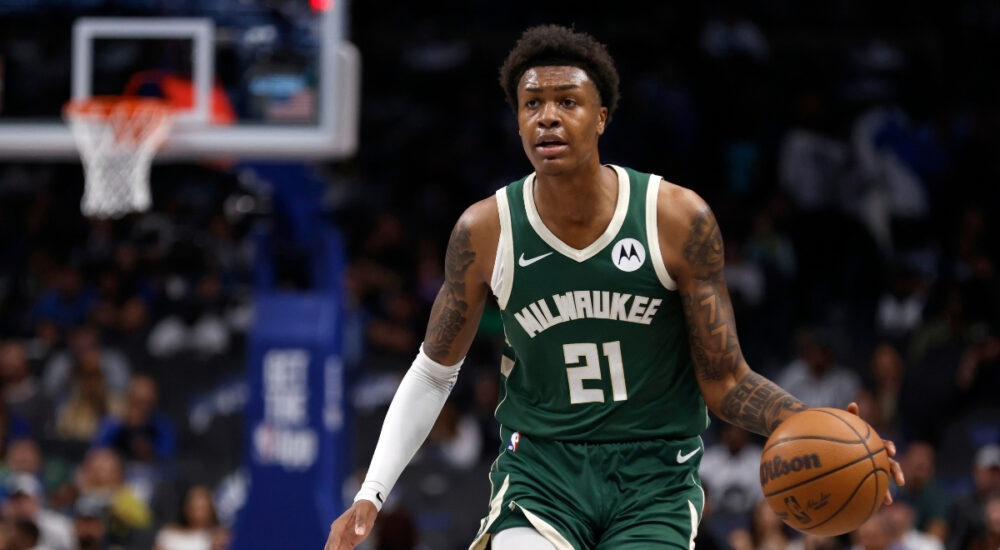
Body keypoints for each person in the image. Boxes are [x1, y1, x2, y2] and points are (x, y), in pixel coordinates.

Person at [324, 24, 904, 550]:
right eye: (531, 104)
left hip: (655, 476)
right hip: (542, 471)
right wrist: (372, 492)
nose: (547, 117)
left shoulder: (676, 219)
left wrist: (817, 425)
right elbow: (433, 370)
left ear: (602, 117)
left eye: (567, 102)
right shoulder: (485, 230)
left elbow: (725, 380)